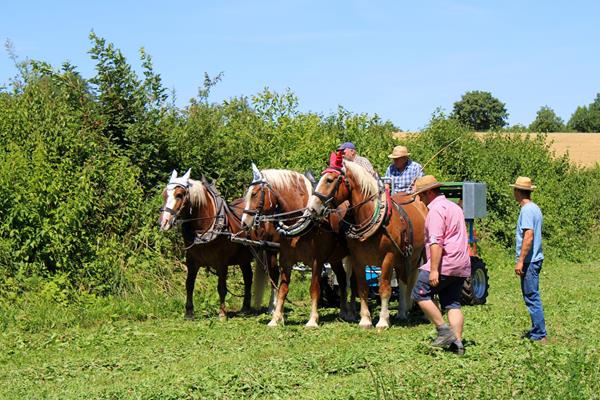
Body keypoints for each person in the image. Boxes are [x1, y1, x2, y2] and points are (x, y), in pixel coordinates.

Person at [411, 175, 471, 355]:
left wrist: (434, 269)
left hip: (445, 262)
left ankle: (443, 330)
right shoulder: (455, 207)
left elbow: (436, 242)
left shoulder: (436, 210)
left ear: (430, 192)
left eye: (421, 194)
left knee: (419, 292)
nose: (419, 198)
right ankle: (457, 343)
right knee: (453, 303)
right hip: (461, 263)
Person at [510, 176, 547, 343]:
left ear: (518, 191)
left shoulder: (526, 210)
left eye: (514, 190)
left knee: (531, 296)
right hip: (535, 258)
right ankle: (537, 330)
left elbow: (529, 236)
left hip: (530, 261)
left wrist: (520, 260)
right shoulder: (535, 208)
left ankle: (539, 334)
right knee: (532, 295)